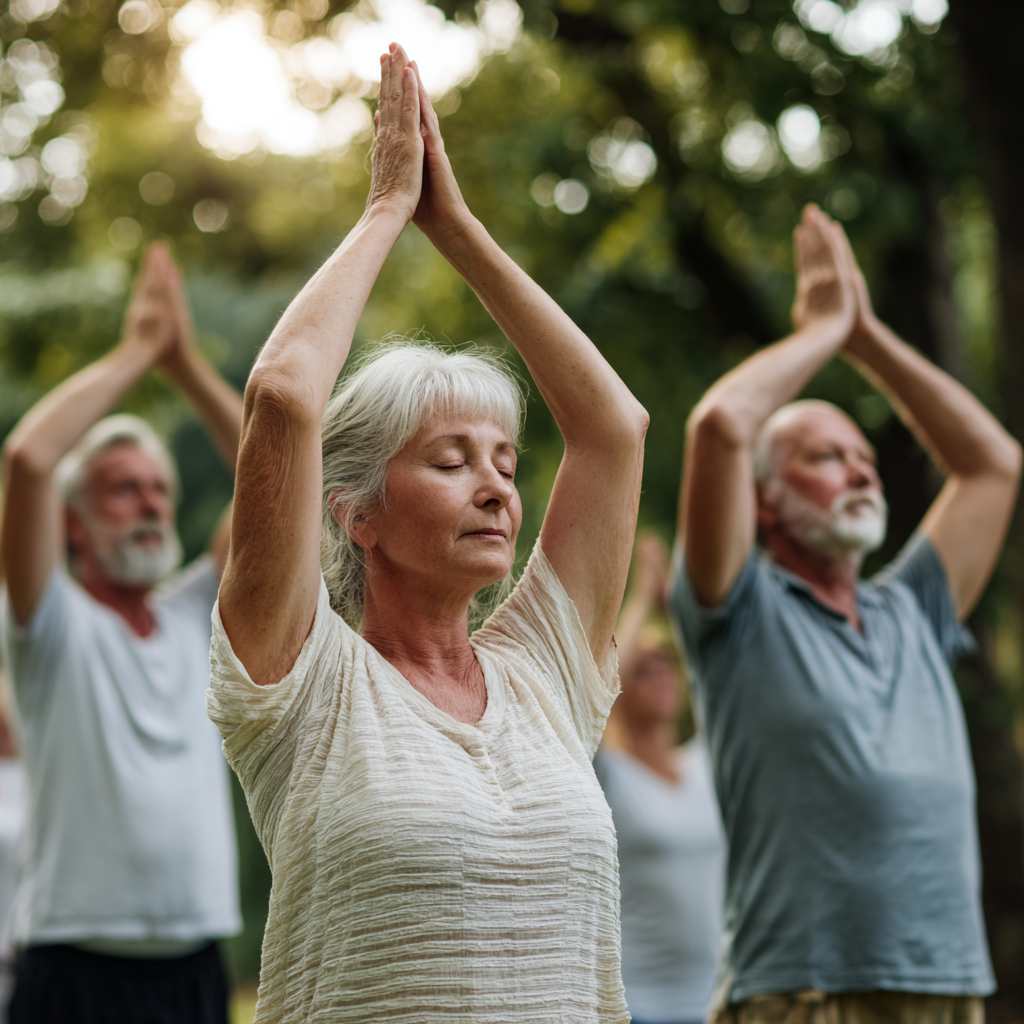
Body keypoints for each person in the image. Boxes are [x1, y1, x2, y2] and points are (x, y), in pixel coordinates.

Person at [205, 42, 648, 1023]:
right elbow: (281, 399)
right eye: (450, 461)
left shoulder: (545, 672)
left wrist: (457, 228)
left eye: (503, 462)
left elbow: (614, 432)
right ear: (356, 513)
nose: (494, 486)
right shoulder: (303, 681)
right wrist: (385, 213)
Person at [668, 203, 1021, 1024]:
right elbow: (720, 426)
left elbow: (994, 464)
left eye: (866, 461)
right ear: (768, 501)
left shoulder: (914, 608)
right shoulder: (738, 607)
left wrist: (865, 338)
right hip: (804, 991)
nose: (863, 475)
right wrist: (819, 334)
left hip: (947, 987)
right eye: (828, 458)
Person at [1, 243, 245, 1024]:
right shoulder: (51, 625)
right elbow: (31, 459)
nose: (148, 505)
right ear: (72, 524)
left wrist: (184, 367)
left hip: (198, 964)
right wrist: (137, 353)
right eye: (121, 491)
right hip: (73, 966)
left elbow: (277, 472)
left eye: (159, 490)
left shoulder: (194, 613)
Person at [594, 533, 726, 1024]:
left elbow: (716, 683)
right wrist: (643, 599)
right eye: (645, 669)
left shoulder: (704, 765)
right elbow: (601, 684)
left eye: (667, 665)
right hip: (641, 1006)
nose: (662, 675)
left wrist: (680, 617)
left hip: (717, 1004)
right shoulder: (609, 775)